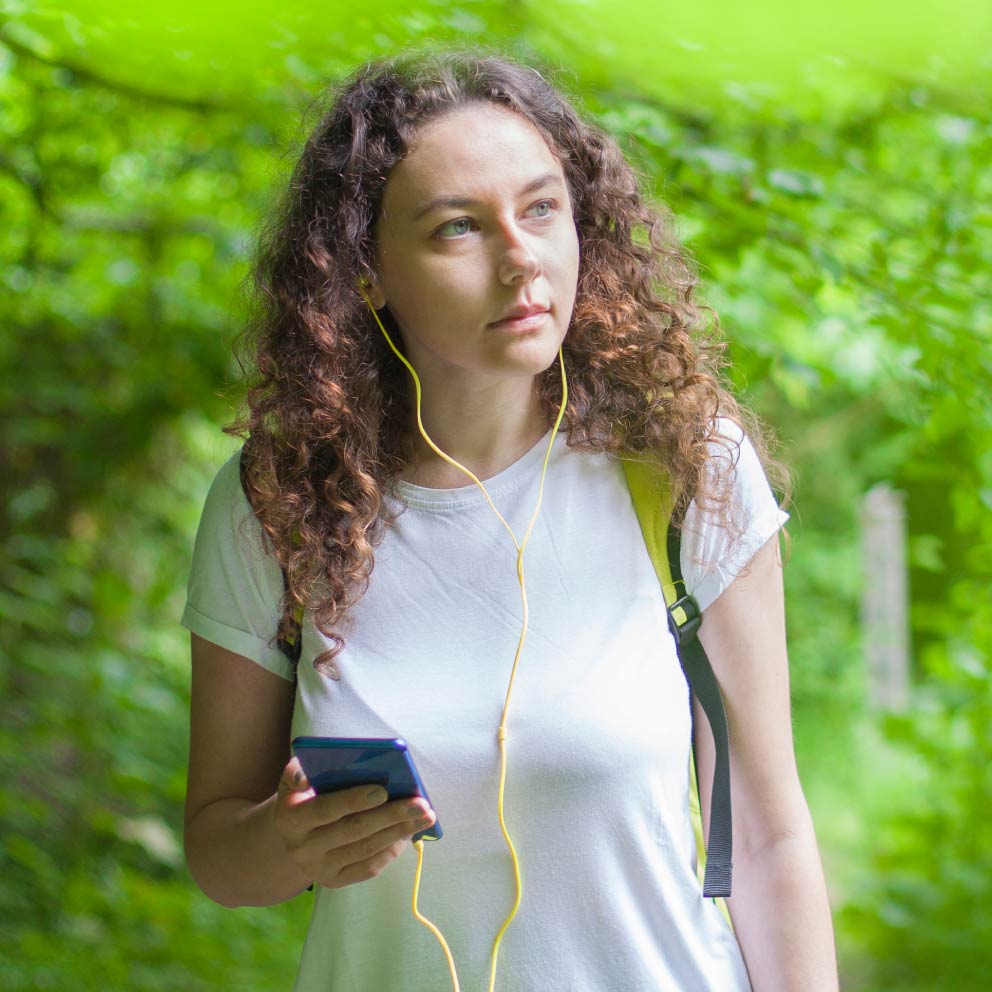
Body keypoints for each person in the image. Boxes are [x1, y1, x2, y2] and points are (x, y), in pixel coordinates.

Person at [181, 48, 839, 992]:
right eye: (458, 228)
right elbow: (218, 850)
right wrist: (291, 844)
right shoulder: (277, 503)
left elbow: (772, 837)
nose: (520, 257)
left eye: (541, 209)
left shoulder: (688, 467)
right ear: (366, 274)